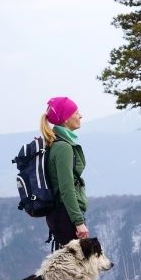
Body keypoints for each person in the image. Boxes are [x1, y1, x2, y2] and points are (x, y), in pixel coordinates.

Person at [41, 96, 88, 251]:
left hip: (60, 216)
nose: (80, 115)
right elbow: (67, 189)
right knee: (73, 271)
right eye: (76, 112)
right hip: (66, 217)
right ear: (66, 119)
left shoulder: (54, 143)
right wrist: (79, 222)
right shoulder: (63, 147)